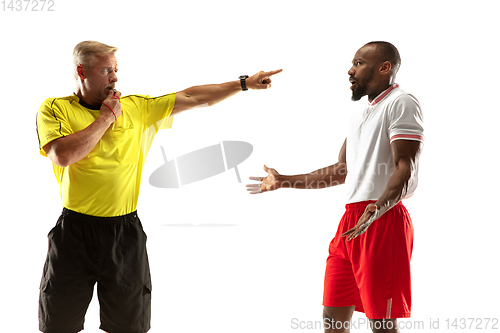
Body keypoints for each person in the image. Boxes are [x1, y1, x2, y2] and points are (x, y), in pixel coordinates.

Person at [36, 40, 282, 333]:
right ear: (81, 71)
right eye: (106, 70)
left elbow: (192, 96)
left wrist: (243, 84)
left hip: (124, 233)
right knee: (59, 324)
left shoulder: (137, 107)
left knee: (129, 326)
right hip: (74, 232)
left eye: (116, 70)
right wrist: (105, 119)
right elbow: (63, 155)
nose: (115, 77)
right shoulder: (54, 108)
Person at [247, 41, 424, 333]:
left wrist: (378, 207)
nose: (350, 71)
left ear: (384, 67)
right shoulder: (359, 114)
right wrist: (285, 181)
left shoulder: (401, 102)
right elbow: (342, 170)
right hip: (351, 222)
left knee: (381, 322)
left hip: (382, 218)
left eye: (358, 63)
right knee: (333, 317)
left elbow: (406, 166)